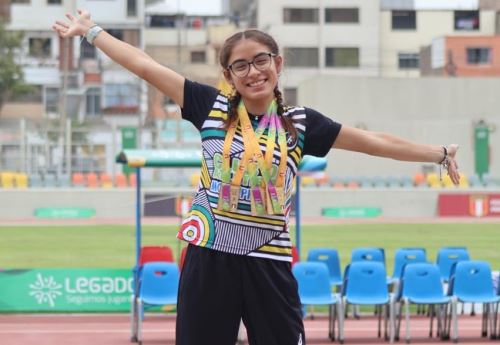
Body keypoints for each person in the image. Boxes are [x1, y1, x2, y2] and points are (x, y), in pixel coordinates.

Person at [53, 10, 460, 345]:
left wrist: (438, 154)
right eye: (240, 66)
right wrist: (91, 31)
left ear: (277, 64)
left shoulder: (302, 124)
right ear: (229, 76)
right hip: (209, 256)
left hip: (270, 260)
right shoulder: (207, 105)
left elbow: (373, 141)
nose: (253, 72)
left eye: (261, 60)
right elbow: (145, 65)